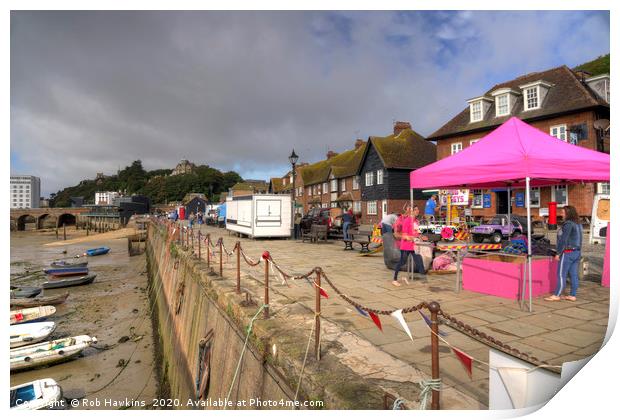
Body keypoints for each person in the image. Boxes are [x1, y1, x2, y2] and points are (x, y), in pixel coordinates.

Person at [545, 205, 583, 302]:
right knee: (574, 274)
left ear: (568, 213)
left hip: (568, 253)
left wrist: (558, 253)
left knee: (561, 274)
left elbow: (563, 240)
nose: (561, 214)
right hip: (577, 252)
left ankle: (557, 295)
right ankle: (573, 295)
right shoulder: (578, 224)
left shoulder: (568, 224)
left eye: (563, 212)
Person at [392, 204, 428, 287]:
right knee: (402, 262)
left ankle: (424, 280)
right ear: (411, 211)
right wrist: (412, 238)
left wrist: (421, 237)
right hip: (405, 246)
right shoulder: (407, 221)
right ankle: (394, 279)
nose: (418, 211)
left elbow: (416, 233)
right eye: (416, 210)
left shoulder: (416, 221)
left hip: (414, 246)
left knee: (419, 261)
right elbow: (404, 235)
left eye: (418, 209)